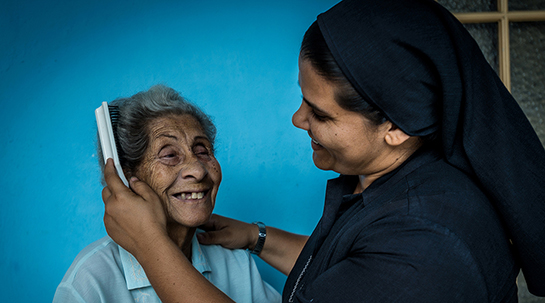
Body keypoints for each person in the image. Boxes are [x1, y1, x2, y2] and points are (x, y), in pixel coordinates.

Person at [100, 0, 545, 302]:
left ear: (396, 127)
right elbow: (347, 272)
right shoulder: (395, 186)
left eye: (321, 114)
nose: (298, 119)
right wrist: (256, 237)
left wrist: (147, 244)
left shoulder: (428, 244)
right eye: (302, 98)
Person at [53, 85, 281, 303]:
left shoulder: (236, 261)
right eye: (170, 155)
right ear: (126, 177)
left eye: (202, 151)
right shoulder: (90, 281)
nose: (198, 170)